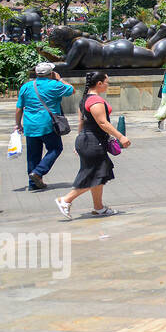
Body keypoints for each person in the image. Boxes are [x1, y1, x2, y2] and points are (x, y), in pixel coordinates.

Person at [55, 71, 131, 220]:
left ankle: (99, 208)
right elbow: (103, 122)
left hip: (87, 140)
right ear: (99, 84)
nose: (108, 85)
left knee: (99, 174)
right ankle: (66, 200)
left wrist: (79, 141)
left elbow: (81, 123)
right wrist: (120, 136)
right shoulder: (95, 101)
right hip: (93, 141)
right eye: (107, 82)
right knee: (95, 175)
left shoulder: (84, 100)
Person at [14, 62, 74, 190]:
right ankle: (39, 172)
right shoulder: (55, 85)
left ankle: (33, 183)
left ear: (36, 73)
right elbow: (71, 90)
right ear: (51, 73)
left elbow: (19, 108)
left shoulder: (26, 86)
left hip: (30, 124)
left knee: (32, 155)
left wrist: (18, 124)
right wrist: (60, 79)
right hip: (48, 124)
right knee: (55, 148)